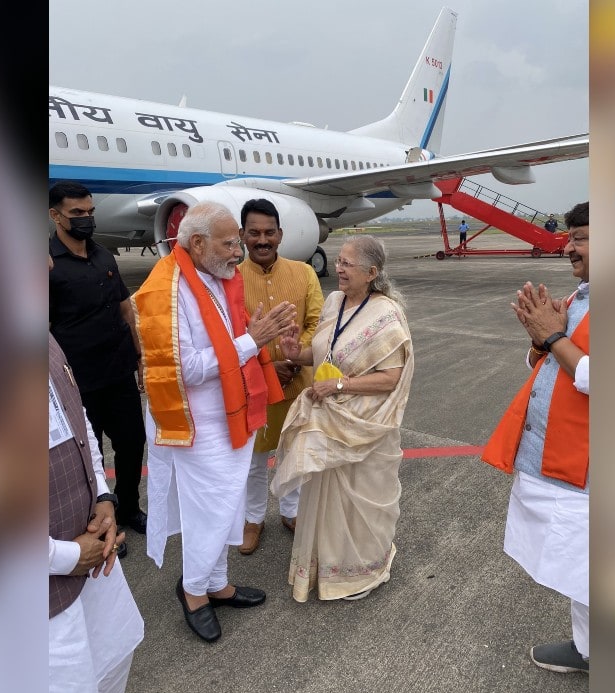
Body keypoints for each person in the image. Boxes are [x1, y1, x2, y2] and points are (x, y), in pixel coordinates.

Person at [135, 201, 297, 642]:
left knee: (225, 506)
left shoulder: (213, 278)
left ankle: (217, 584)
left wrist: (252, 333)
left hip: (231, 415)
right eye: (229, 243)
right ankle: (193, 592)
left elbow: (226, 341)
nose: (238, 251)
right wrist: (250, 341)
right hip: (197, 425)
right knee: (209, 510)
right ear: (198, 242)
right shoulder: (165, 289)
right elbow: (182, 369)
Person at [271, 235, 415, 602]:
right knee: (325, 500)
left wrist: (340, 385)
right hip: (330, 416)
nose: (338, 268)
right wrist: (298, 353)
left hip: (364, 424)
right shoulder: (335, 301)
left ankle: (361, 572)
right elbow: (324, 353)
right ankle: (329, 568)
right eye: (338, 261)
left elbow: (392, 377)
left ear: (371, 272)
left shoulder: (386, 313)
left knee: (357, 503)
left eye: (347, 264)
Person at [483, 202, 591, 674]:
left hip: (584, 462)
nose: (570, 247)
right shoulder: (579, 298)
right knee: (575, 566)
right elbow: (546, 367)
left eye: (582, 237)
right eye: (570, 237)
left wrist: (552, 339)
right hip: (548, 451)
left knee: (583, 564)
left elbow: (607, 384)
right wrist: (538, 340)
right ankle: (588, 648)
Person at [49, 333, 143, 693]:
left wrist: (104, 497)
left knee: (113, 660)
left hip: (92, 560)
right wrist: (69, 556)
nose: (52, 267)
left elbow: (74, 414)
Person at [49, 181, 148, 535]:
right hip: (78, 380)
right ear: (55, 216)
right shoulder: (47, 266)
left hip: (119, 371)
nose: (86, 219)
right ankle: (99, 525)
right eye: (77, 213)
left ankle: (130, 509)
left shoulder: (104, 255)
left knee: (132, 443)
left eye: (90, 212)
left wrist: (137, 355)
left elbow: (124, 308)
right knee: (89, 458)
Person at [236, 199, 324, 554]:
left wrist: (294, 356)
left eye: (269, 232)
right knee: (253, 460)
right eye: (254, 232)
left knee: (292, 452)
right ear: (242, 235)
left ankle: (291, 511)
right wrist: (266, 369)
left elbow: (318, 324)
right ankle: (253, 519)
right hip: (251, 388)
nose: (262, 240)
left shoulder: (304, 273)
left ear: (280, 234)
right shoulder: (228, 280)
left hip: (297, 382)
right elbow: (226, 337)